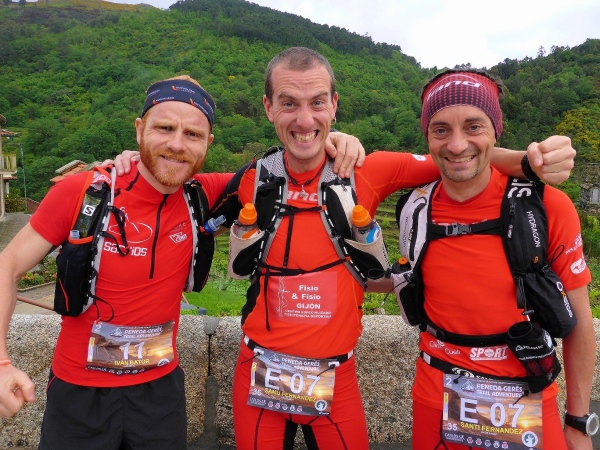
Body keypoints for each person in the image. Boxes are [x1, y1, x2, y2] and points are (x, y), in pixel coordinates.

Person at [188, 47, 576, 450]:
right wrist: (147, 133)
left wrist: (531, 162)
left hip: (335, 377)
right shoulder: (253, 178)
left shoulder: (366, 170)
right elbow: (175, 173)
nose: (304, 119)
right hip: (259, 370)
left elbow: (456, 156)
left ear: (334, 105)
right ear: (268, 108)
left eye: (317, 102)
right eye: (289, 103)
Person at [0, 74, 366, 449]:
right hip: (79, 394)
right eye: (164, 128)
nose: (177, 144)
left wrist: (336, 140)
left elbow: (292, 163)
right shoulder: (83, 192)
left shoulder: (204, 194)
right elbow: (7, 267)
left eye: (192, 134)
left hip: (159, 398)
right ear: (139, 129)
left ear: (208, 143)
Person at [393, 69, 595, 450]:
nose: (456, 145)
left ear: (495, 130)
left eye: (474, 126)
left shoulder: (547, 207)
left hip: (527, 398)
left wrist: (578, 421)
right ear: (427, 136)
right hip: (437, 398)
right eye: (440, 130)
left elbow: (581, 321)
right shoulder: (415, 208)